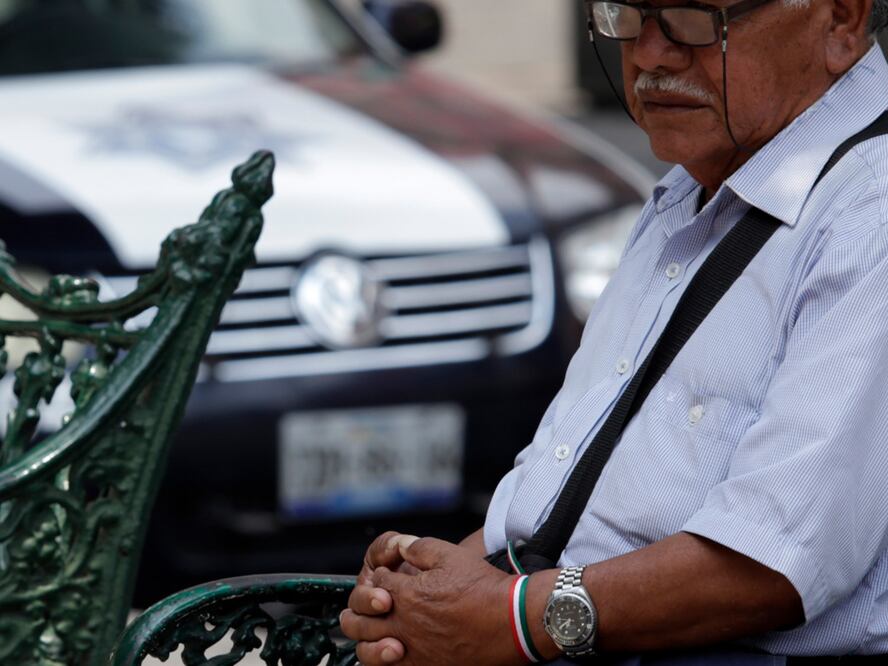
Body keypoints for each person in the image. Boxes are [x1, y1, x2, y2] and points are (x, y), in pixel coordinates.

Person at [340, 0, 888, 663]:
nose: (650, 54)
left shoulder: (870, 213)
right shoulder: (696, 186)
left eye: (691, 16)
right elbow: (574, 483)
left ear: (840, 19)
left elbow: (771, 562)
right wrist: (430, 593)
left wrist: (511, 618)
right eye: (624, 12)